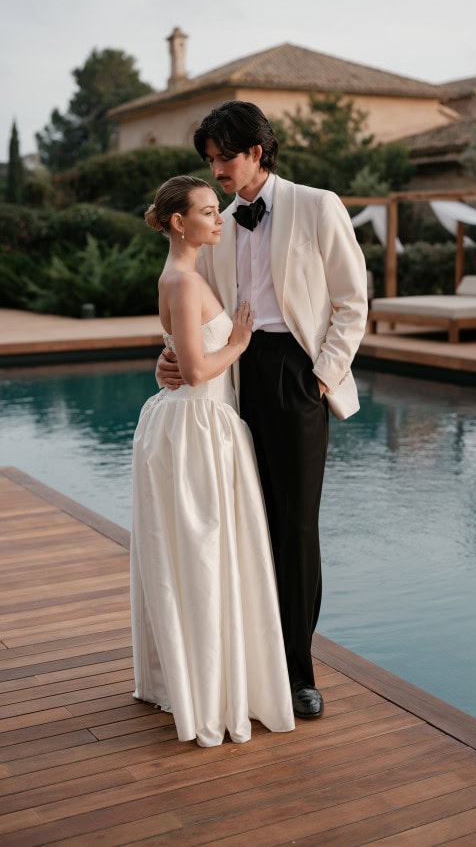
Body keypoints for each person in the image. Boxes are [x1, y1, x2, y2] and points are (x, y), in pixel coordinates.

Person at [158, 102, 369, 719]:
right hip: (231, 381)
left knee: (296, 527)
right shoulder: (217, 224)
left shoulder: (317, 204)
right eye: (210, 160)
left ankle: (299, 671)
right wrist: (168, 360)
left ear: (257, 151)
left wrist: (322, 378)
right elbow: (198, 310)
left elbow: (353, 303)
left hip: (296, 376)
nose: (217, 170)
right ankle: (254, 662)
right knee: (246, 523)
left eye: (225, 156)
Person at [130, 174, 294, 747]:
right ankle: (207, 685)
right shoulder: (180, 279)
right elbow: (198, 370)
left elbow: (180, 352)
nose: (219, 217)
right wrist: (241, 344)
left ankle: (211, 674)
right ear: (180, 223)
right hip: (199, 426)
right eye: (207, 211)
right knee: (202, 556)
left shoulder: (189, 274)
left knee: (204, 555)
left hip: (199, 421)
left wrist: (170, 359)